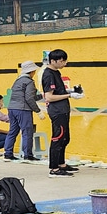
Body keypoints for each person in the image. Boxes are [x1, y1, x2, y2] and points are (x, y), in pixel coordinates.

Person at [41, 48, 83, 177]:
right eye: (62, 61)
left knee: (65, 138)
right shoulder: (48, 74)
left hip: (63, 110)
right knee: (58, 138)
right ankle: (54, 168)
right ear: (53, 61)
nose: (64, 63)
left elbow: (58, 91)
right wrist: (69, 96)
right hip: (57, 111)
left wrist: (71, 91)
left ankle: (61, 164)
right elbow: (48, 97)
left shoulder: (56, 72)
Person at [4, 59, 41, 162]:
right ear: (32, 71)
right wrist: (37, 110)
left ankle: (8, 153)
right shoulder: (29, 82)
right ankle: (28, 155)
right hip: (23, 109)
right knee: (27, 132)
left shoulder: (17, 81)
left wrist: (41, 96)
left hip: (12, 108)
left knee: (12, 131)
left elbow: (24, 96)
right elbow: (29, 98)